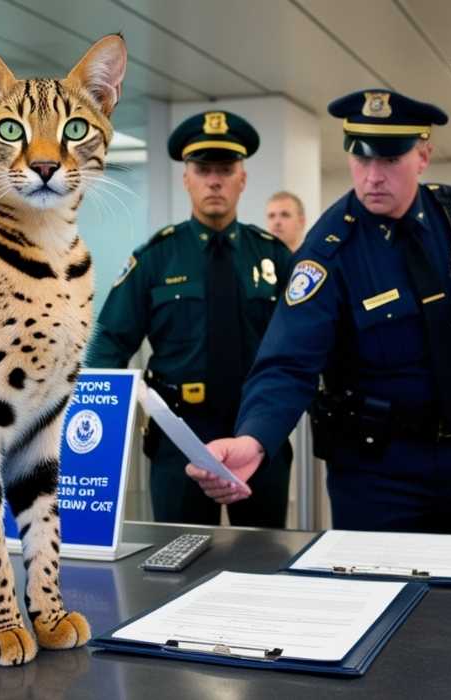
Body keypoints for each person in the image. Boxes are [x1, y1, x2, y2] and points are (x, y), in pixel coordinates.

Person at [187, 90, 451, 538]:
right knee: (380, 602)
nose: (373, 176)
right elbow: (288, 361)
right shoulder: (328, 249)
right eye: (361, 158)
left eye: (391, 160)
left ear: (423, 156)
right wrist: (254, 438)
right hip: (376, 474)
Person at [86, 110, 294, 526]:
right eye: (203, 170)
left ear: (242, 179)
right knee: (178, 564)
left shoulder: (273, 257)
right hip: (180, 438)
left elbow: (304, 344)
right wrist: (92, 427)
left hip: (256, 431)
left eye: (225, 169)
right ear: (187, 179)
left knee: (265, 561)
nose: (214, 180)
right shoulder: (156, 258)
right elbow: (108, 345)